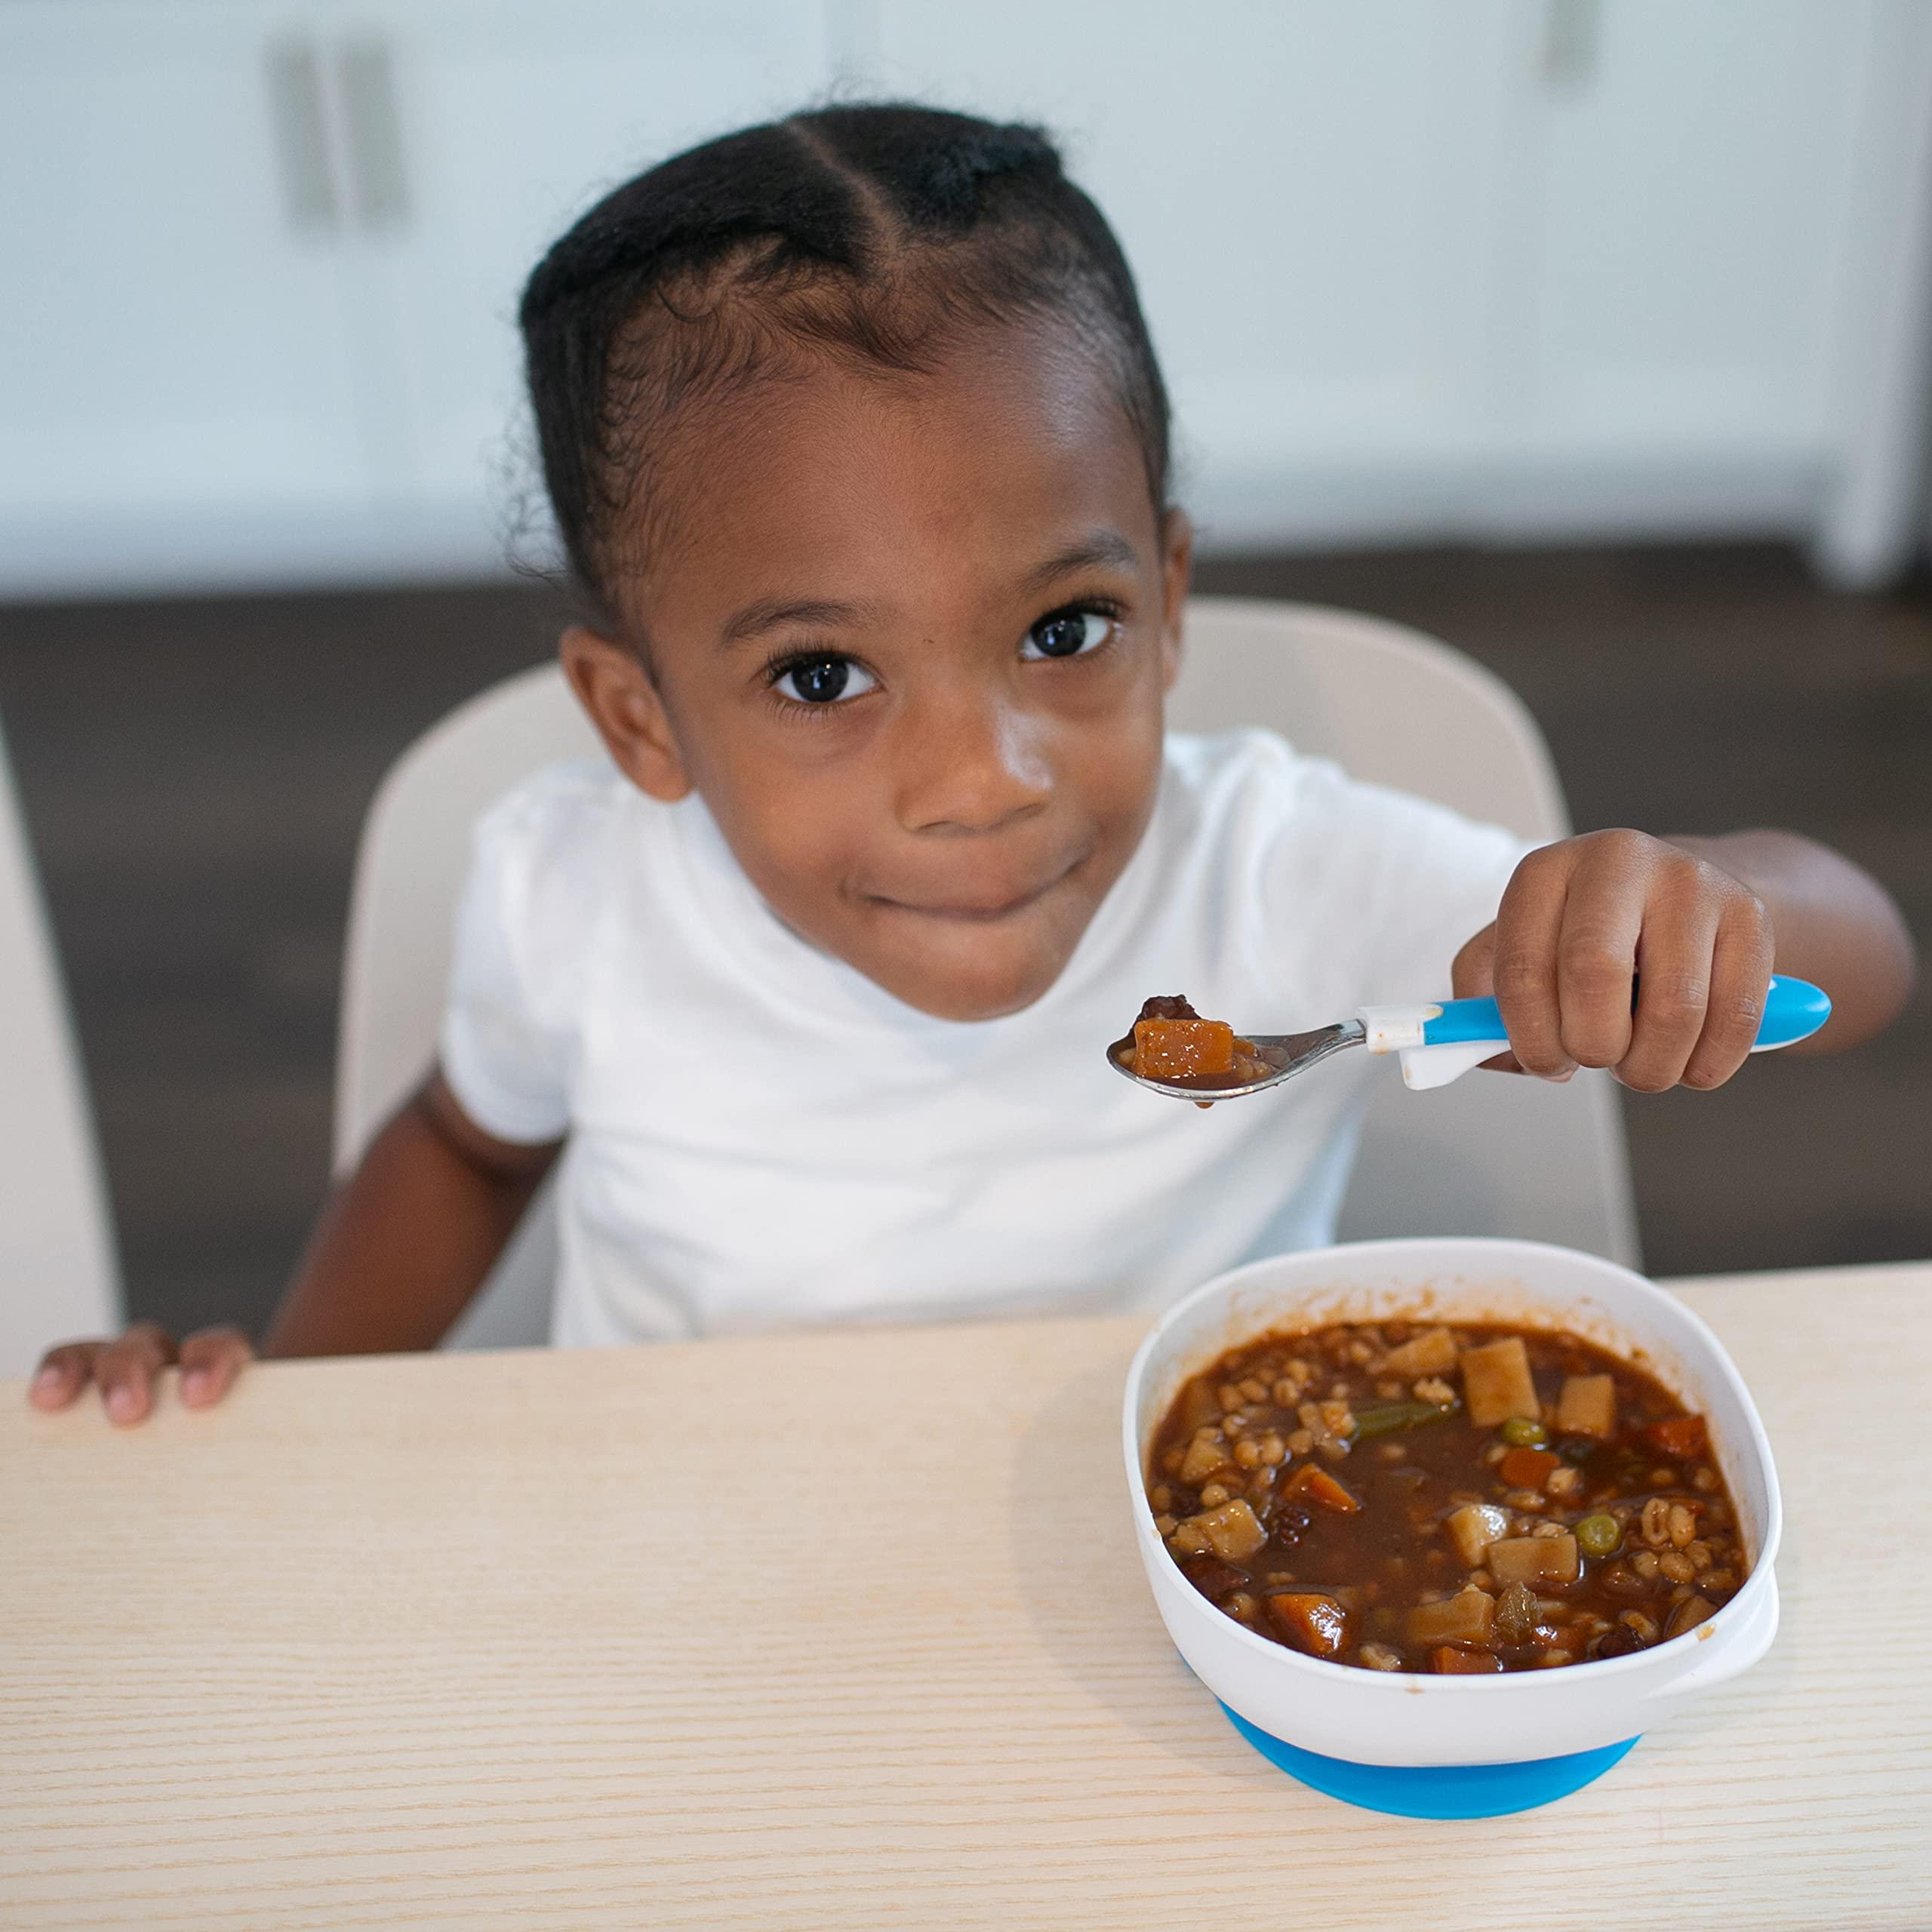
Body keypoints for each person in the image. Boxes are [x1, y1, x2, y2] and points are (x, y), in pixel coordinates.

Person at [32, 103, 1915, 1424]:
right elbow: (462, 1142)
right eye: (822, 671)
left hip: (1172, 1589)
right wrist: (267, 1423)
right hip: (685, 1602)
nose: (982, 775)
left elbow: (1867, 956)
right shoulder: (573, 895)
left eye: (1063, 632)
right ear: (635, 721)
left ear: (1165, 600)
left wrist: (1703, 909)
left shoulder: (1276, 874)